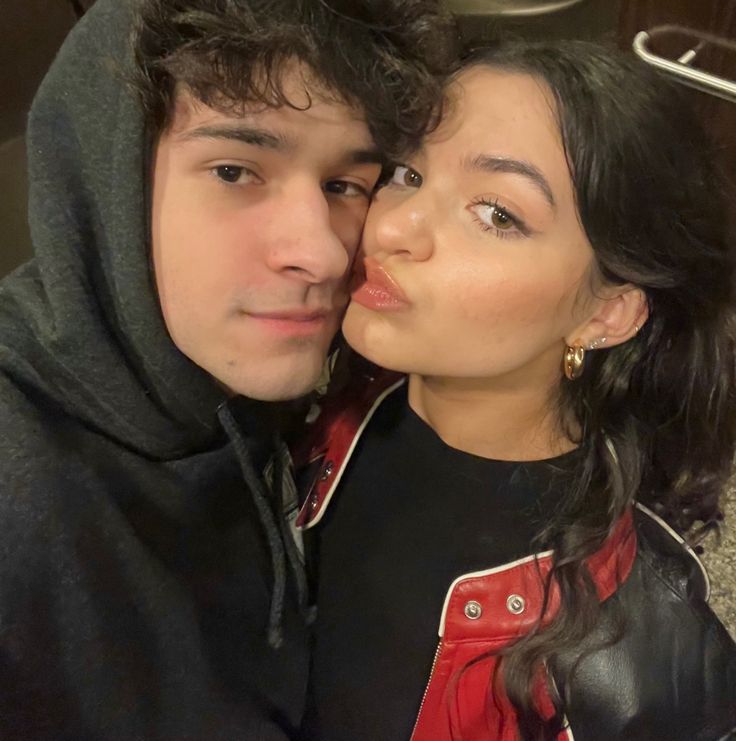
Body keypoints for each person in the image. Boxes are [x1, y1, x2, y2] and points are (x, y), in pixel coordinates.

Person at [0, 0, 457, 740]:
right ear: (109, 180)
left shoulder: (269, 390)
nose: (320, 253)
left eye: (344, 184)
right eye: (235, 170)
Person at [296, 40, 736, 741]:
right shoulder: (321, 412)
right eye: (408, 171)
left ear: (605, 313)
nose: (393, 227)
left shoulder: (633, 667)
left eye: (497, 213)